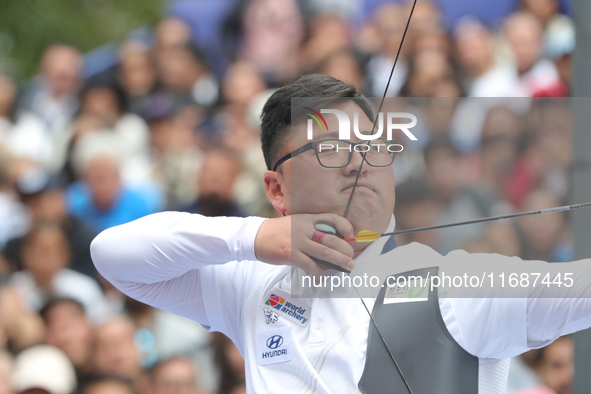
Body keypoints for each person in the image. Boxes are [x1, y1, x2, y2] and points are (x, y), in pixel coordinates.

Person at [91, 74, 591, 393]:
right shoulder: (250, 283)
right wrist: (256, 237)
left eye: (372, 145)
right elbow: (112, 253)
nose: (358, 161)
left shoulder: (457, 284)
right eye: (329, 148)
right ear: (277, 188)